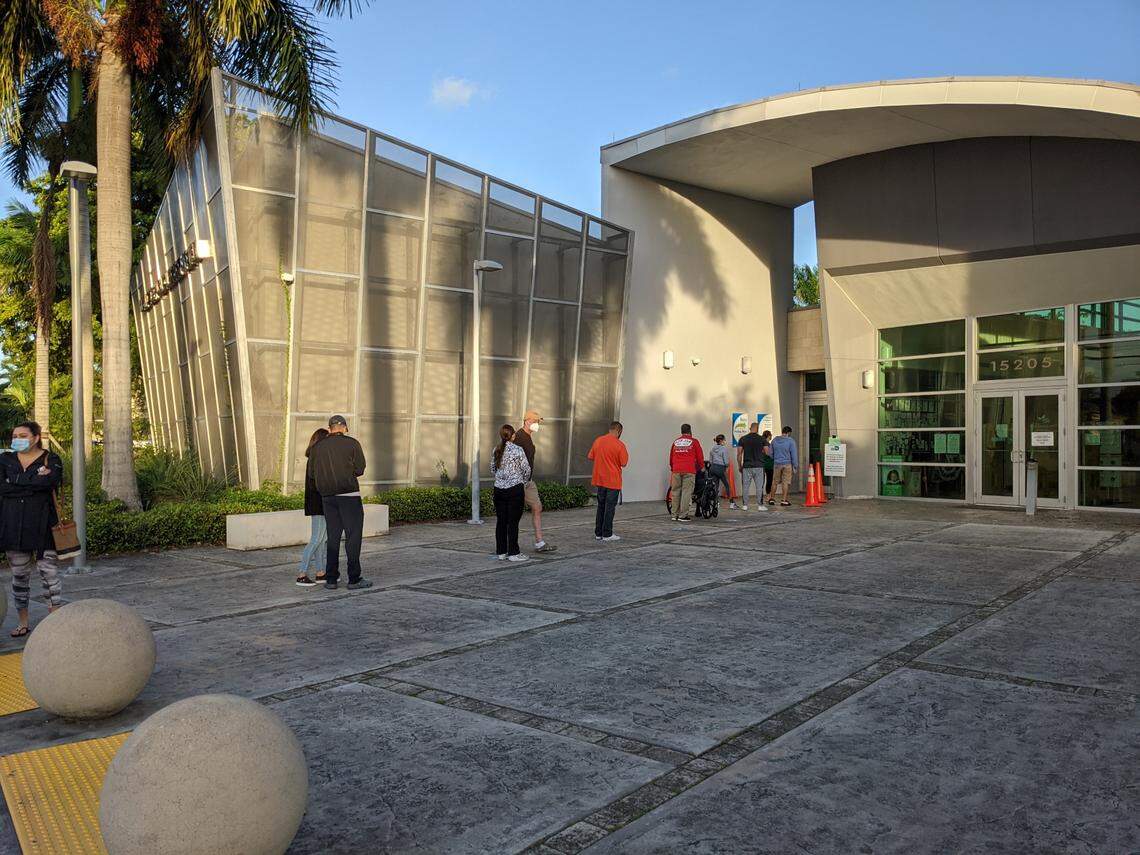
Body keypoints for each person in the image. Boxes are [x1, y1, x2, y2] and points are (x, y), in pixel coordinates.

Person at [1, 421, 64, 637]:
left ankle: (55, 622)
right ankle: (23, 623)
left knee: (50, 575)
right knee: (19, 577)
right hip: (13, 526)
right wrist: (33, 480)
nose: (17, 439)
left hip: (44, 526)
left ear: (36, 437)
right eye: (15, 435)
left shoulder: (51, 459)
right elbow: (2, 486)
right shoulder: (5, 460)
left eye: (23, 435)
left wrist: (15, 482)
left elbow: (50, 483)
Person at [309, 415, 372, 590]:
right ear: (344, 427)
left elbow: (312, 474)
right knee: (353, 538)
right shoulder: (352, 444)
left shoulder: (318, 447)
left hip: (328, 498)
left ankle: (331, 579)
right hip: (349, 496)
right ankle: (354, 578)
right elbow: (360, 469)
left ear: (329, 429)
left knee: (333, 537)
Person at [513, 410, 556, 554]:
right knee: (514, 513)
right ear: (527, 421)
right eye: (536, 421)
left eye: (538, 422)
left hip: (528, 481)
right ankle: (511, 544)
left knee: (537, 507)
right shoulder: (519, 437)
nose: (538, 424)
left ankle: (539, 542)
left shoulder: (527, 437)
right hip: (519, 481)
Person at [490, 424, 531, 562]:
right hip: (515, 489)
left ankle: (501, 552)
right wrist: (524, 482)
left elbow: (492, 469)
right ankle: (513, 553)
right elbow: (526, 469)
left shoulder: (496, 449)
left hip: (499, 490)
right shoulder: (518, 450)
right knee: (513, 522)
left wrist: (501, 478)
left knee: (501, 521)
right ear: (513, 435)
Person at [296, 428, 329, 587]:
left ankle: (321, 572)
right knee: (316, 539)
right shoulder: (316, 459)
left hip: (319, 503)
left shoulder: (314, 458)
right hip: (318, 504)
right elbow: (317, 483)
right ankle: (302, 574)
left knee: (322, 540)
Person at [588, 421, 629, 541]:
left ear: (610, 429)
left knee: (601, 506)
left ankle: (598, 533)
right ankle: (607, 534)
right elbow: (624, 463)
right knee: (610, 507)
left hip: (600, 479)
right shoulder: (620, 445)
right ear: (619, 431)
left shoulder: (598, 441)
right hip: (613, 480)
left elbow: (591, 456)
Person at [668, 423, 704, 522]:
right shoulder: (694, 441)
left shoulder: (676, 442)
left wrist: (673, 467)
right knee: (686, 492)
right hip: (689, 470)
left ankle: (674, 514)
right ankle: (682, 515)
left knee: (675, 492)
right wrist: (702, 467)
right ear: (690, 431)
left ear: (681, 431)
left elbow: (671, 457)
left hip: (676, 469)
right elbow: (700, 456)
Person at [736, 422, 768, 511]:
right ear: (757, 429)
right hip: (759, 466)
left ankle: (745, 505)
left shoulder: (743, 439)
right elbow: (767, 452)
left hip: (747, 466)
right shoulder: (762, 439)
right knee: (759, 487)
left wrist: (740, 466)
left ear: (750, 428)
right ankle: (760, 505)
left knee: (745, 486)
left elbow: (739, 454)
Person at [770, 425, 799, 507]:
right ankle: (784, 500)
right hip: (787, 464)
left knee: (774, 482)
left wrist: (775, 458)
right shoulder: (791, 441)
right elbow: (794, 455)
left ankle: (772, 499)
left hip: (777, 464)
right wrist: (795, 465)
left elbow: (770, 453)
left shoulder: (774, 440)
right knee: (785, 482)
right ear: (789, 433)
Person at [709, 434, 736, 509]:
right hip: (721, 468)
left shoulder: (712, 449)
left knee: (715, 486)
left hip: (713, 468)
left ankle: (716, 502)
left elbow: (710, 461)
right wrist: (726, 467)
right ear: (721, 441)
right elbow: (726, 461)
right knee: (727, 485)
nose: (725, 441)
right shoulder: (724, 449)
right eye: (724, 440)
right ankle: (732, 503)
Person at [761, 429, 776, 505]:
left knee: (761, 481)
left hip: (762, 465)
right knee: (769, 481)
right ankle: (768, 496)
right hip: (769, 465)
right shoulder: (768, 444)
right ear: (769, 436)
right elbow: (769, 454)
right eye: (771, 435)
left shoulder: (760, 444)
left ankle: (761, 497)